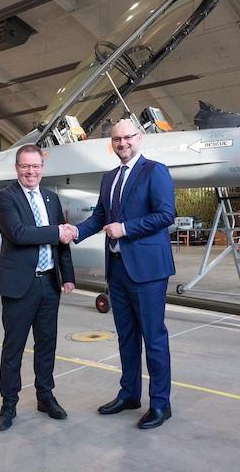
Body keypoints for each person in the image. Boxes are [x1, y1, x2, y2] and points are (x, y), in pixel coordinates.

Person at [69, 119, 176, 429]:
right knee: (127, 337)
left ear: (139, 138)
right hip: (117, 269)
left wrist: (126, 229)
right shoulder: (109, 178)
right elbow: (100, 217)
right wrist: (75, 231)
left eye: (128, 137)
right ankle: (129, 394)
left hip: (148, 271)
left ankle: (160, 404)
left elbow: (166, 214)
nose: (123, 143)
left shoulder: (155, 171)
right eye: (117, 139)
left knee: (153, 339)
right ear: (111, 143)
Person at [0, 144, 76, 431]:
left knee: (46, 344)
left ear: (42, 167)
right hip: (19, 286)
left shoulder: (52, 199)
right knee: (13, 347)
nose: (31, 171)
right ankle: (8, 404)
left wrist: (68, 275)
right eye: (25, 166)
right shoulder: (5, 197)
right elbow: (18, 234)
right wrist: (57, 231)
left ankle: (45, 396)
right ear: (17, 168)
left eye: (36, 166)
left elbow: (61, 243)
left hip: (49, 284)